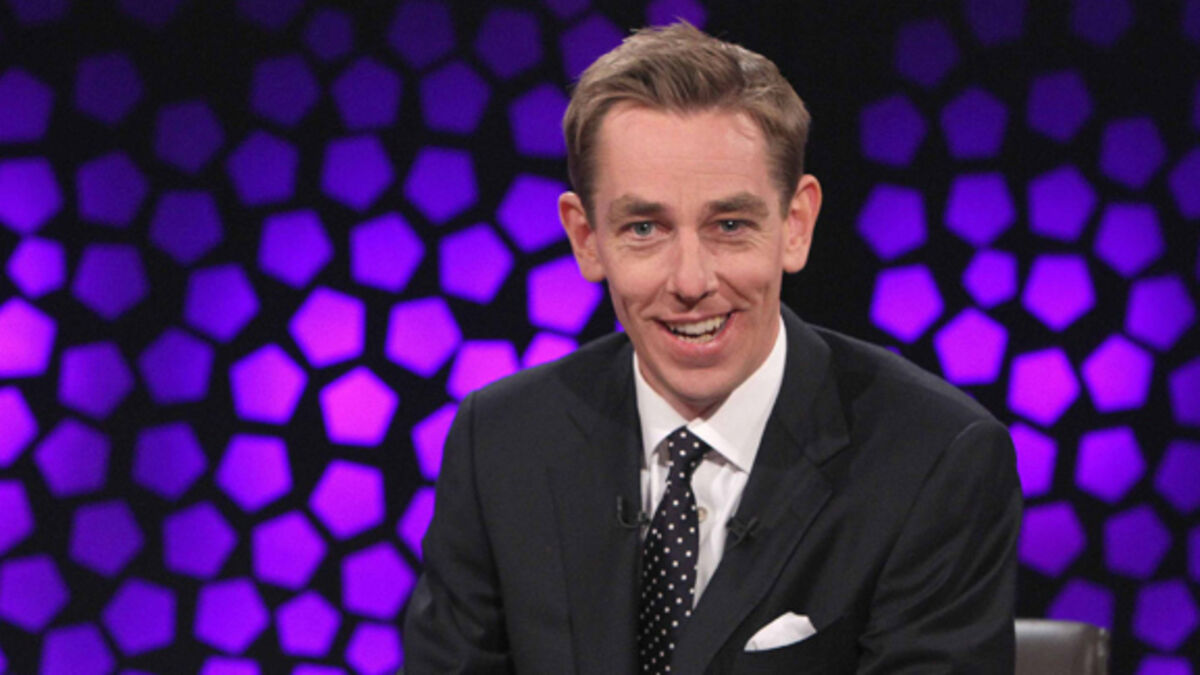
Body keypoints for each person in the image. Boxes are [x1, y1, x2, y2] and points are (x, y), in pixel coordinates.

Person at [403, 22, 1021, 674]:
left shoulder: (933, 461)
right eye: (645, 228)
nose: (692, 281)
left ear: (795, 224)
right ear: (586, 238)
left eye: (729, 224)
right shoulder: (501, 442)